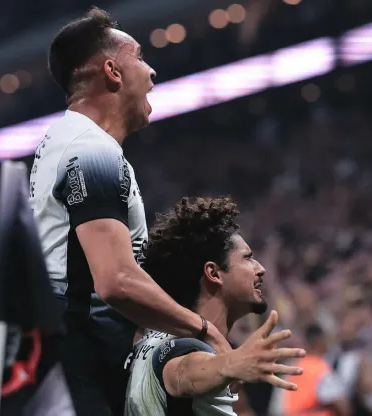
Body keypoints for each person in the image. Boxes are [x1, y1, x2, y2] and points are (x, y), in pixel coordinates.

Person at [29, 7, 232, 415]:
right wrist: (203, 329)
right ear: (112, 71)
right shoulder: (90, 149)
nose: (152, 71)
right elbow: (116, 280)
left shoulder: (63, 141)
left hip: (65, 352)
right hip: (74, 356)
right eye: (139, 57)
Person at [125, 196, 306, 415]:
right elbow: (182, 375)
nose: (260, 268)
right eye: (248, 258)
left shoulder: (151, 339)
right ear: (213, 273)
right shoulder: (186, 347)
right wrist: (228, 365)